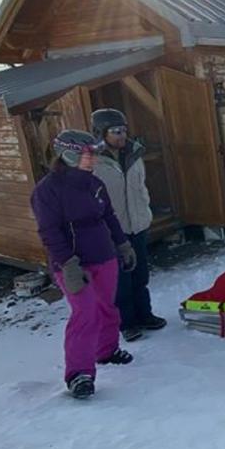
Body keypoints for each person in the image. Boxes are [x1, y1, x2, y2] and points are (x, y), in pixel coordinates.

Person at [30, 130, 136, 399]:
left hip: (103, 254)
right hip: (74, 263)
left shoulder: (93, 183)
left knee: (107, 308)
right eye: (89, 155)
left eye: (94, 154)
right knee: (85, 314)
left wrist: (122, 244)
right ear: (70, 155)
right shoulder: (47, 191)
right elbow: (49, 232)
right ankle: (79, 374)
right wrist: (67, 264)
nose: (94, 160)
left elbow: (108, 216)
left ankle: (107, 350)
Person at [90, 108, 165, 343]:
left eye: (124, 130)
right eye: (115, 131)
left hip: (137, 223)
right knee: (120, 279)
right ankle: (127, 323)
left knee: (140, 273)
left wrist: (145, 211)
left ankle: (145, 314)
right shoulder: (92, 161)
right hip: (113, 229)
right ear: (101, 133)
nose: (122, 136)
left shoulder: (134, 153)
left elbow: (140, 187)